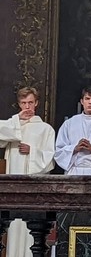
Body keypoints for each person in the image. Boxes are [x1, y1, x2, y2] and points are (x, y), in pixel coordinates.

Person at [0, 87, 55, 257]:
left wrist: (32, 151)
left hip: (33, 186)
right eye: (23, 103)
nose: (27, 107)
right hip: (13, 181)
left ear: (36, 103)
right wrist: (17, 120)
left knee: (31, 227)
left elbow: (50, 159)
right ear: (18, 104)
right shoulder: (12, 125)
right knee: (14, 227)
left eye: (30, 102)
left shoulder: (46, 129)